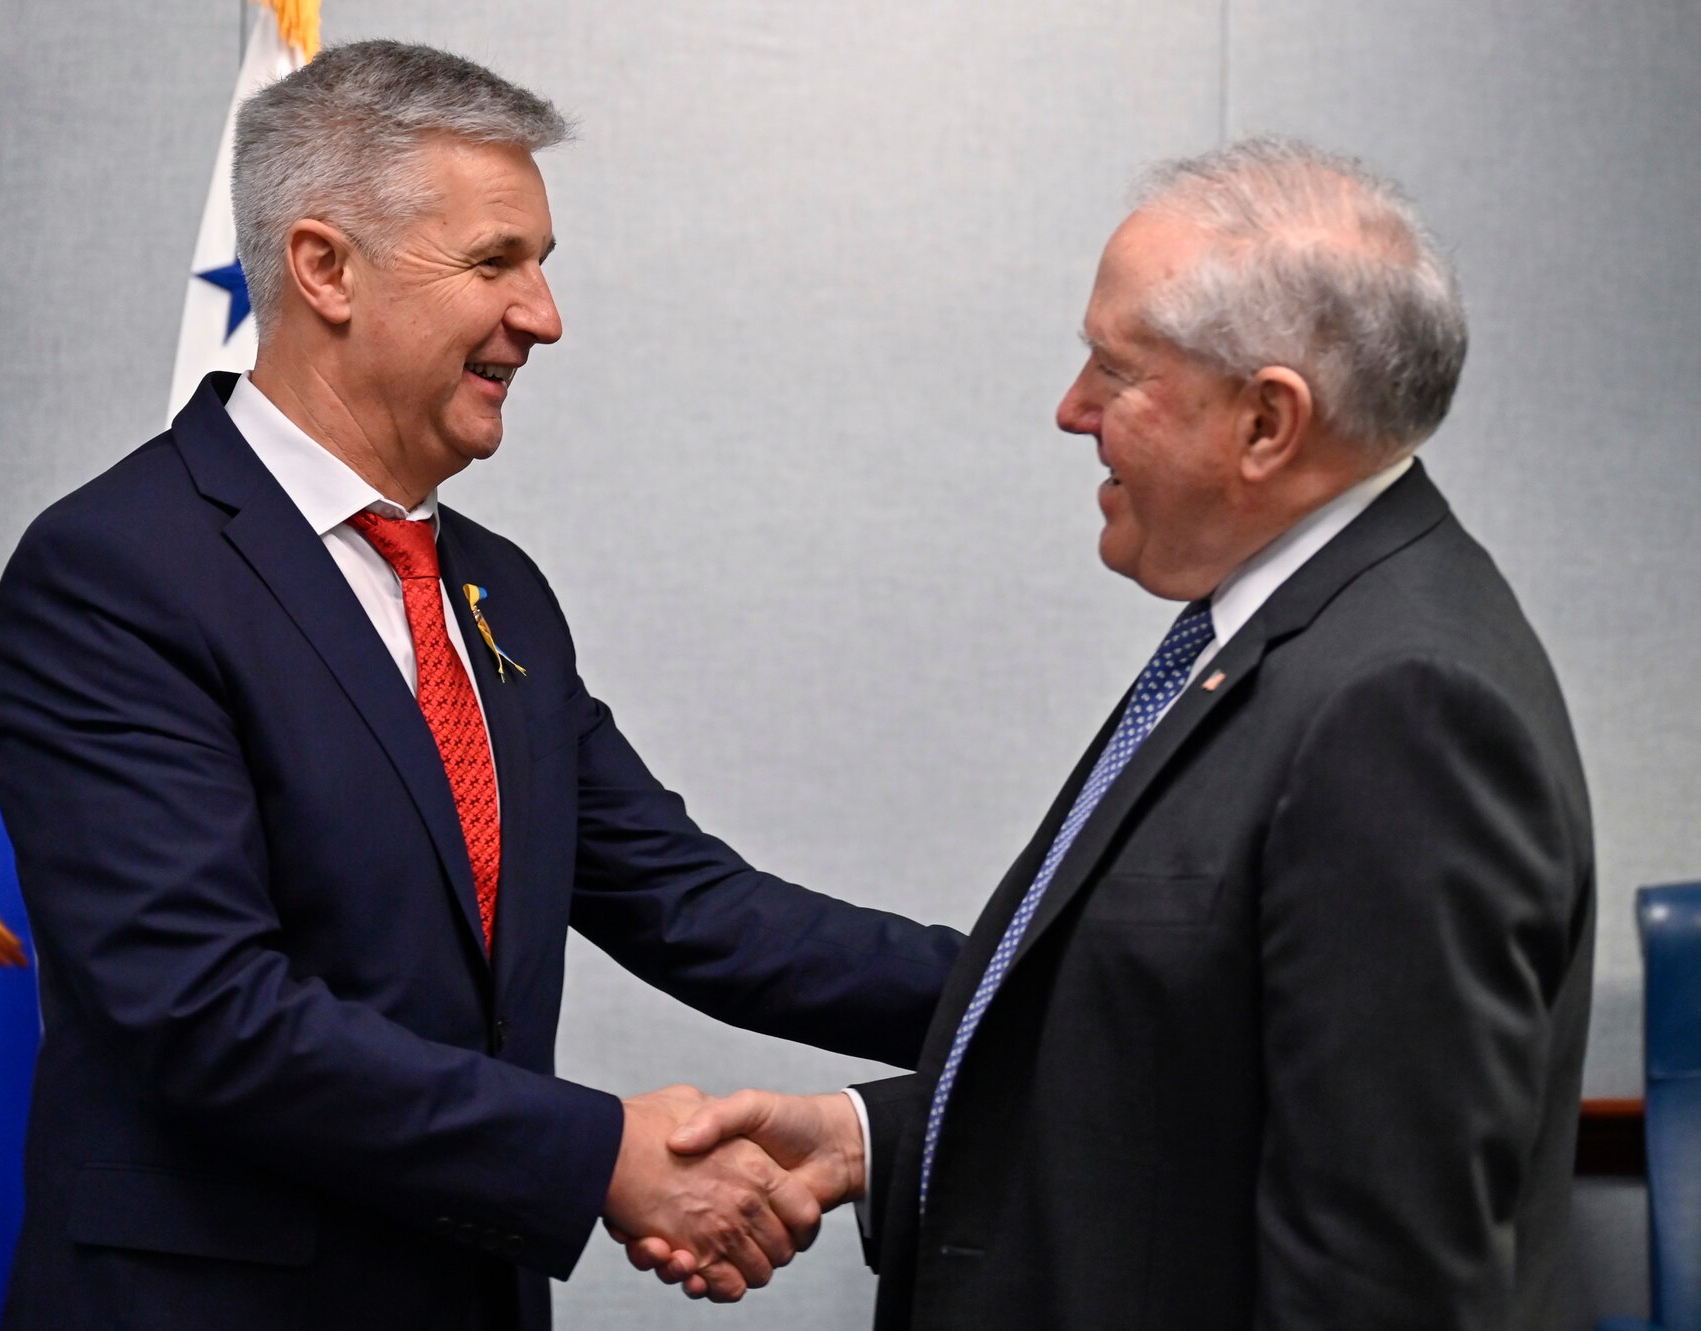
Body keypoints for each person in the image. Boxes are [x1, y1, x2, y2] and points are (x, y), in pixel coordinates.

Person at [0, 41, 961, 1331]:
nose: (543, 314)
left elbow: (688, 903)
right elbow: (206, 1010)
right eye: (496, 262)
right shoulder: (115, 571)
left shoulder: (492, 588)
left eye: (542, 264)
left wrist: (1033, 989)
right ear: (325, 267)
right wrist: (598, 1152)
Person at [633, 139, 1596, 1329]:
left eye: (1112, 368)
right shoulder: (1293, 631)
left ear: (1264, 422)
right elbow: (1183, 1064)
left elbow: (1380, 1275)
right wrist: (874, 1135)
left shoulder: (1398, 707)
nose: (1070, 410)